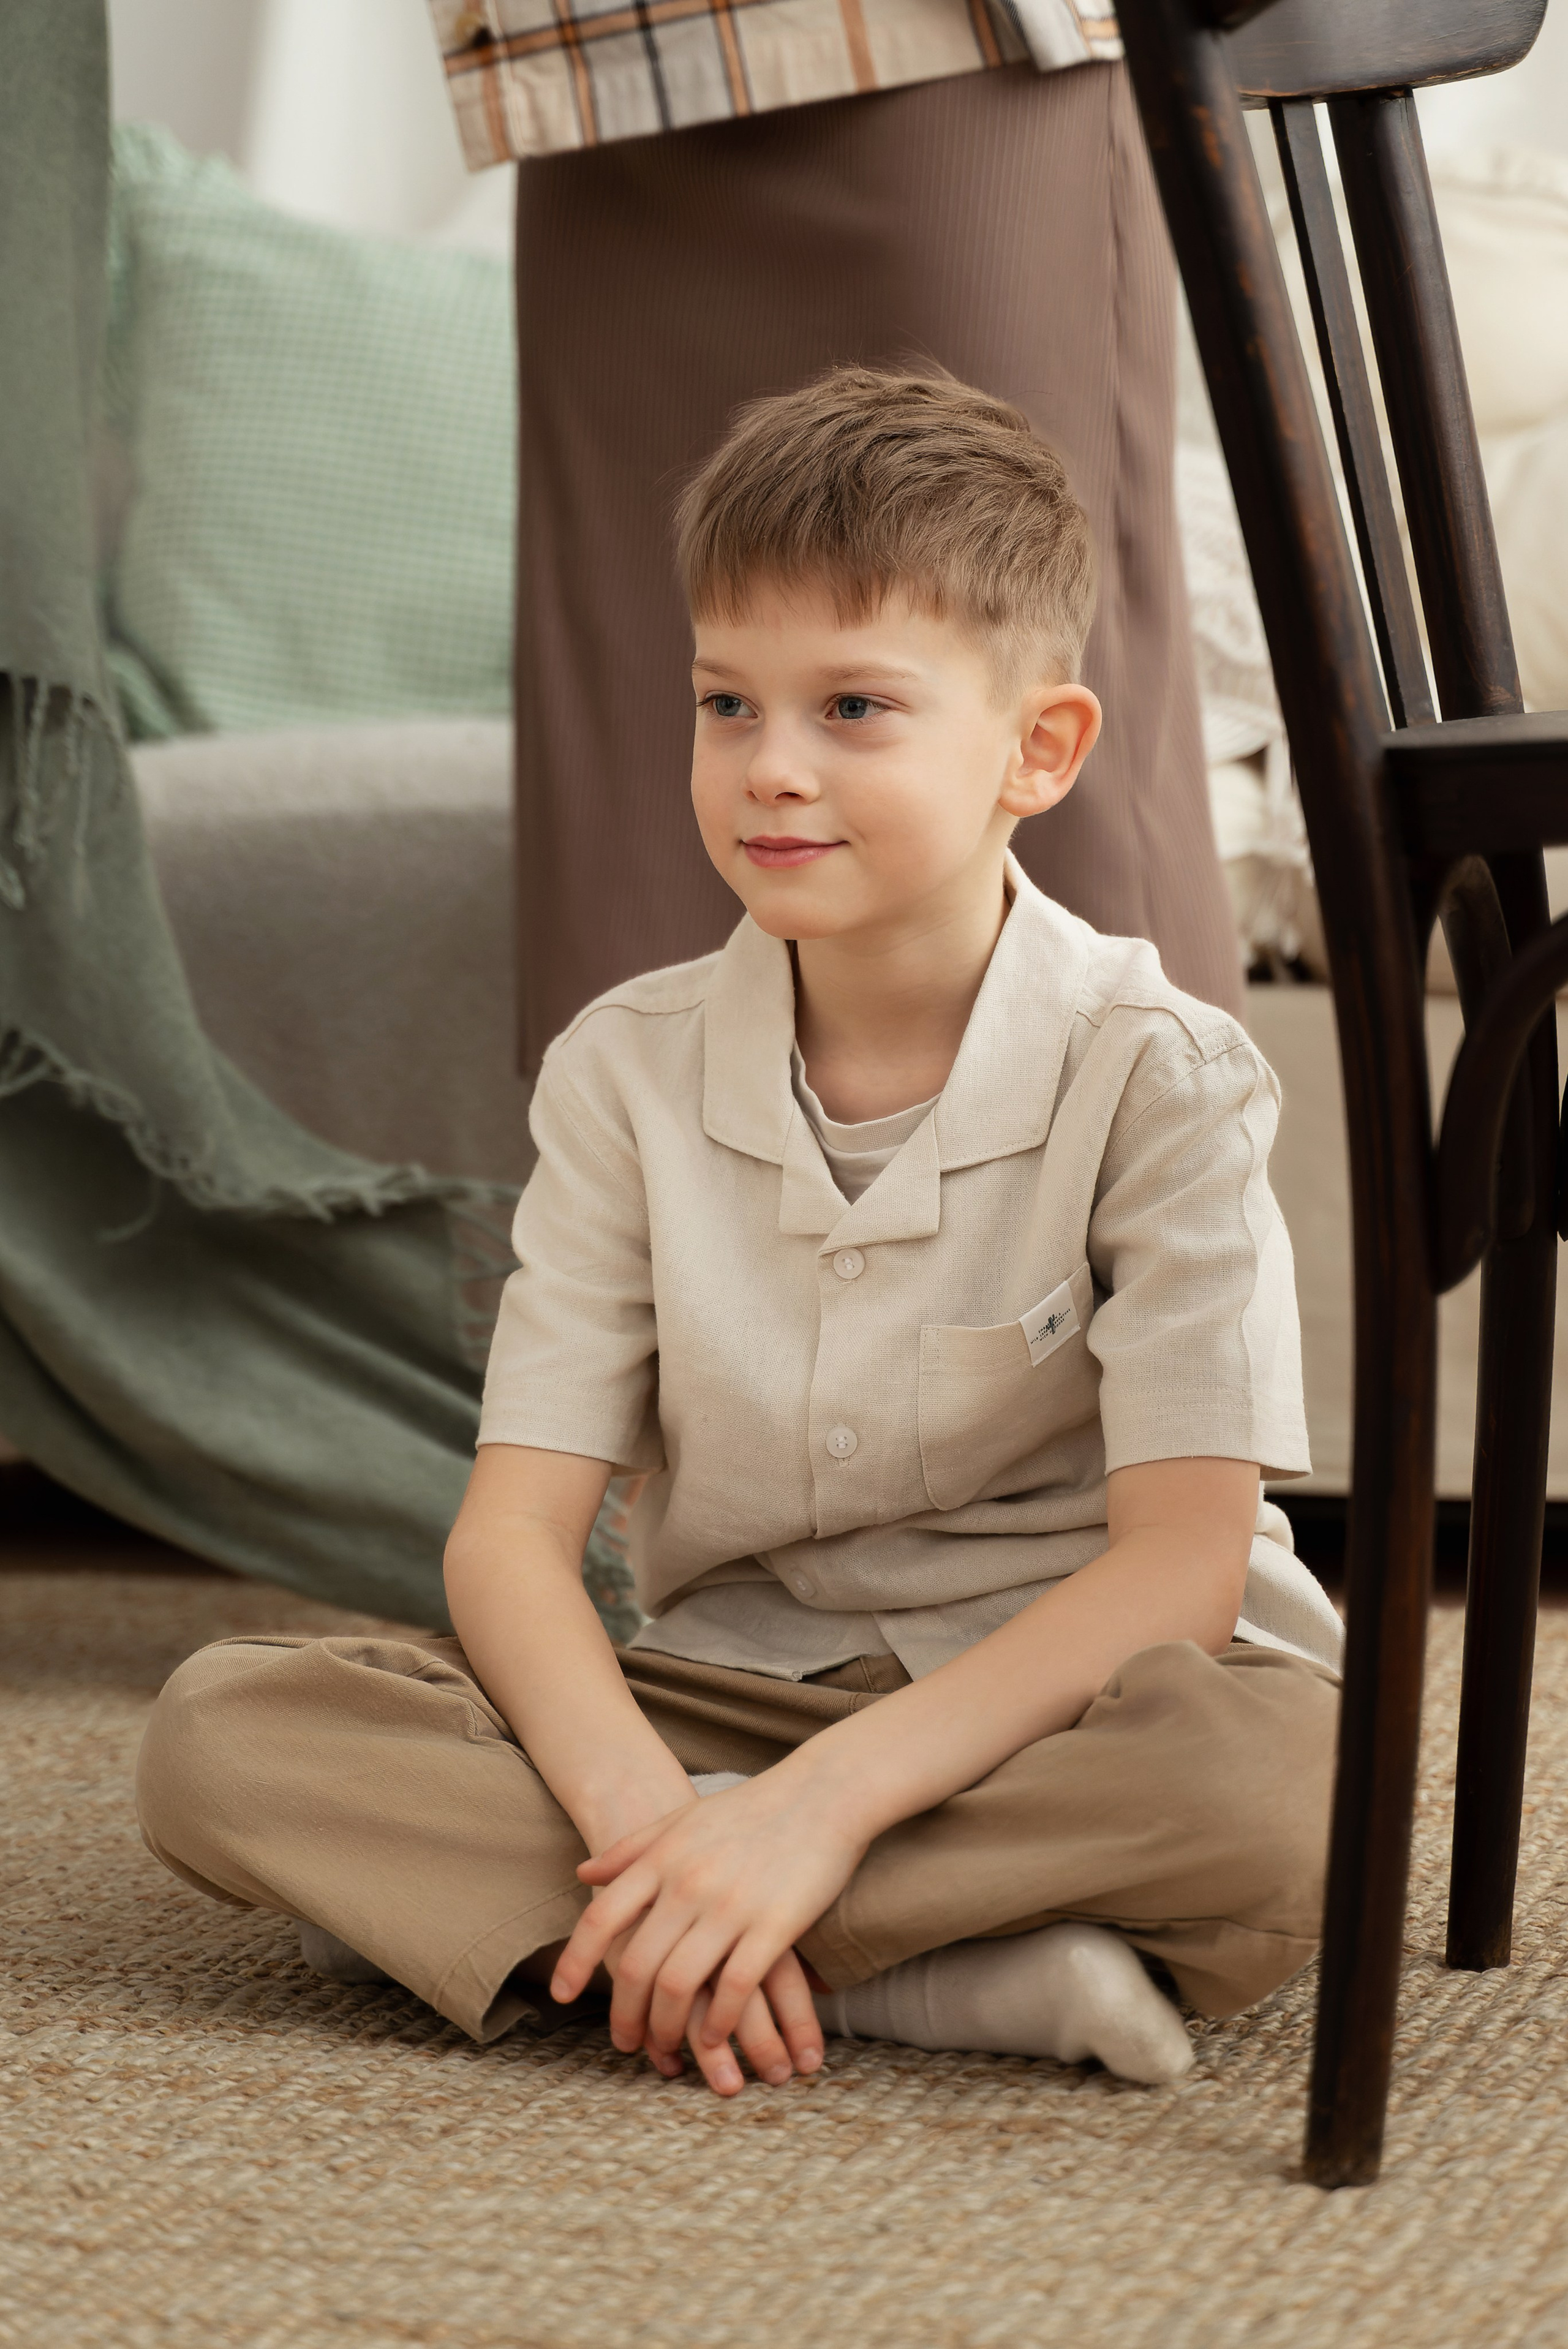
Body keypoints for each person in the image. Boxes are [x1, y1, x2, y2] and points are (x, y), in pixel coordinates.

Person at [136, 369, 1343, 2094]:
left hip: (1062, 1711)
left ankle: (602, 1921)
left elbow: (1181, 1566)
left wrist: (827, 1809)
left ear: (1039, 749)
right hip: (727, 1691)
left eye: (856, 706)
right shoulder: (622, 1069)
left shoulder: (1163, 1077)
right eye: (726, 702)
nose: (771, 768)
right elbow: (510, 1541)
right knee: (220, 1739)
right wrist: (653, 1807)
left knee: (1280, 1797)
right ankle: (900, 1960)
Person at [424, 0, 1245, 1063]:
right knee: (636, 720)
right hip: (597, 58)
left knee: (1023, 689)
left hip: (956, 45)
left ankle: (1147, 1202)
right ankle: (662, 1217)